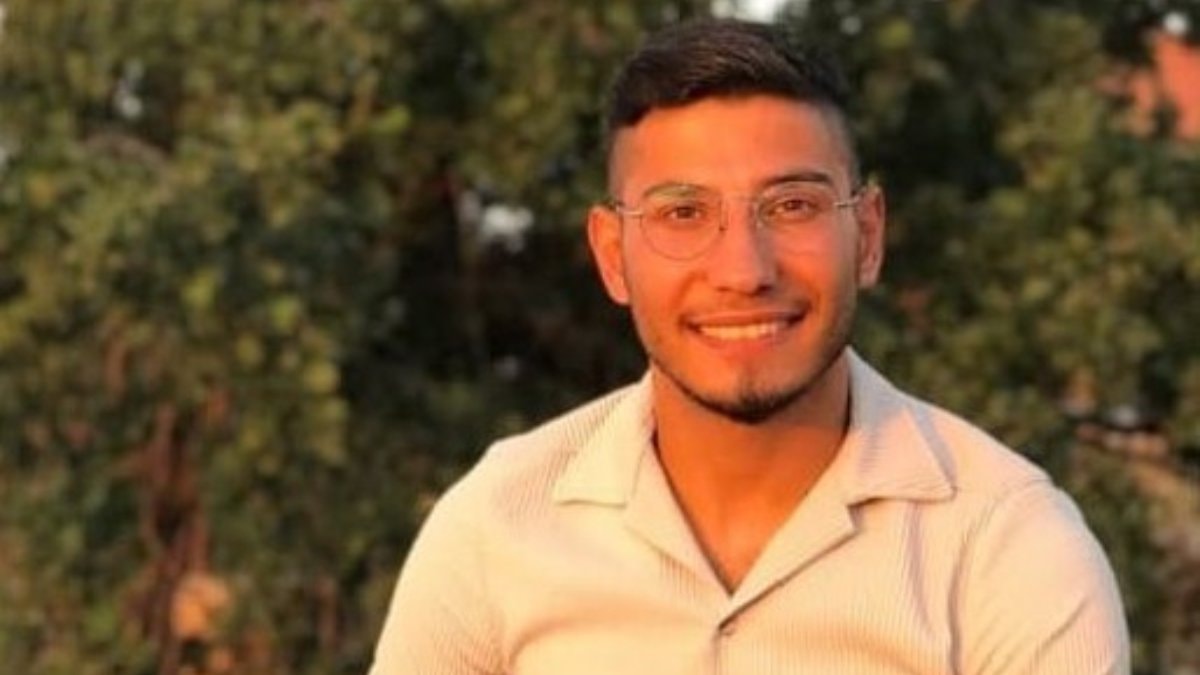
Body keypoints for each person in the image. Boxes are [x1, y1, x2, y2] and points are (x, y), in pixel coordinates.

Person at [369, 18, 1129, 675]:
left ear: (867, 235)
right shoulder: (497, 526)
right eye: (683, 213)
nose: (743, 270)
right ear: (611, 255)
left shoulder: (1007, 546)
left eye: (792, 205)